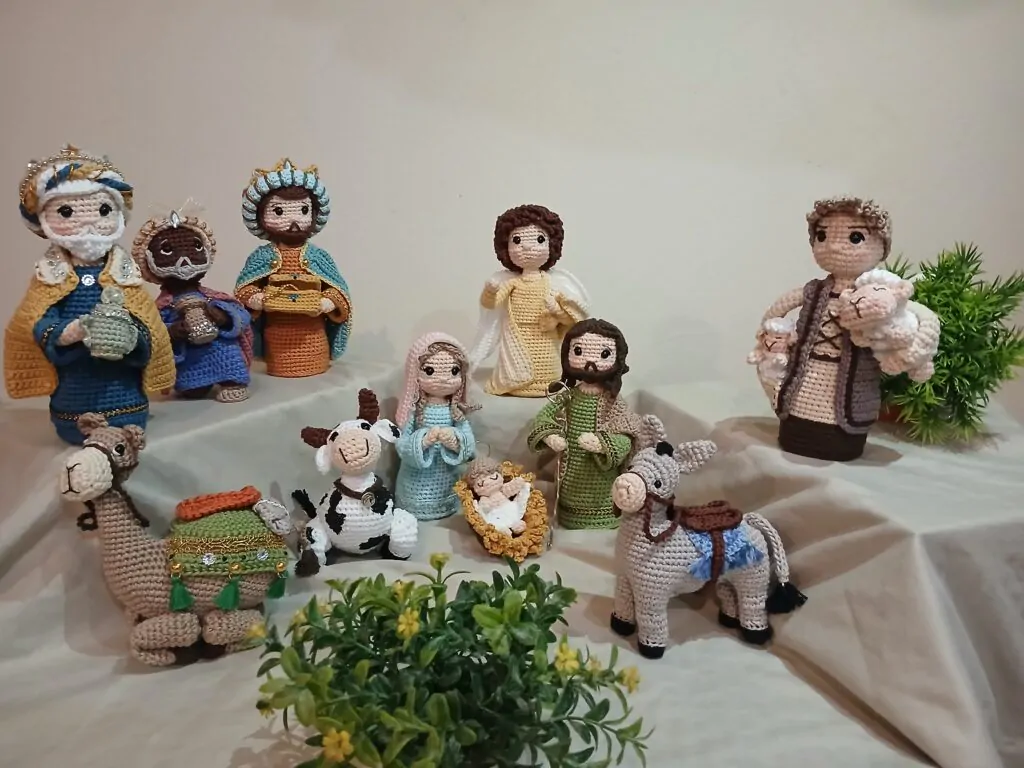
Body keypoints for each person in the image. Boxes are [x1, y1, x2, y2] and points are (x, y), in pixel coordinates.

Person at [4, 145, 173, 444]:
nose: (87, 221)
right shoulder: (50, 275)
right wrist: (69, 332)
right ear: (43, 220)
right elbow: (34, 323)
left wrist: (130, 335)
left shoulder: (124, 273)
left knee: (126, 423)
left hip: (124, 388)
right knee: (78, 421)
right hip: (75, 388)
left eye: (103, 210)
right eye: (66, 212)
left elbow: (149, 323)